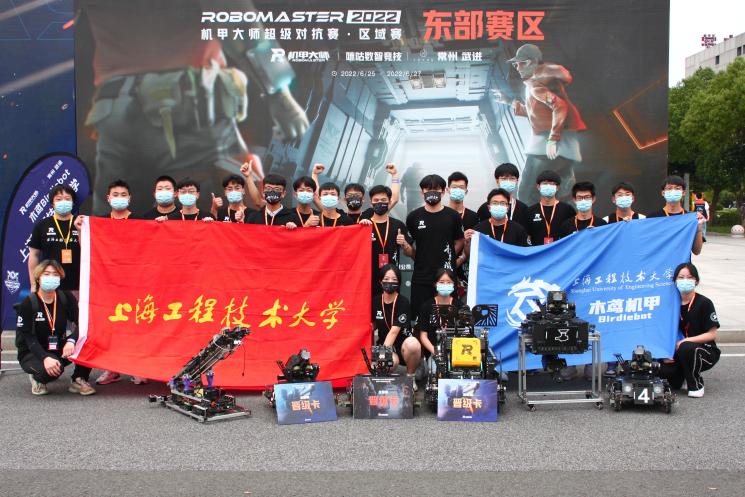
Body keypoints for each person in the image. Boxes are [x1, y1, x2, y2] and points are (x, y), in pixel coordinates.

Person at [493, 43, 586, 205]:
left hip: (548, 146)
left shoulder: (536, 85)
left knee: (527, 192)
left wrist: (552, 139)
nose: (517, 68)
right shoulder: (536, 83)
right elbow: (535, 113)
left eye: (518, 64)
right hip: (562, 145)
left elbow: (560, 106)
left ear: (530, 62)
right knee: (562, 189)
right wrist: (508, 101)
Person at [16, 260, 95, 396]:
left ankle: (78, 378)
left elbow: (82, 323)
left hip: (58, 347)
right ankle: (37, 378)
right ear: (38, 278)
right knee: (52, 370)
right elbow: (29, 338)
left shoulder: (65, 297)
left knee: (90, 341)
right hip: (32, 352)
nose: (51, 278)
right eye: (46, 274)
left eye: (55, 274)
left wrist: (71, 341)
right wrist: (45, 358)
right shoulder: (28, 302)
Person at [405, 175, 465, 315]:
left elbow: (460, 241)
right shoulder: (413, 216)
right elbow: (408, 247)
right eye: (428, 189)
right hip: (422, 277)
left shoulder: (453, 216)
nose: (432, 192)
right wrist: (417, 256)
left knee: (447, 318)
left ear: (443, 192)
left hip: (446, 279)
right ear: (422, 192)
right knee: (421, 317)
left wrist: (449, 256)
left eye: (436, 189)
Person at [659, 263, 720, 398]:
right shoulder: (670, 304)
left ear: (696, 281)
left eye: (690, 277)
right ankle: (683, 376)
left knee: (686, 348)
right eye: (681, 277)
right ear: (675, 281)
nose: (685, 281)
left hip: (704, 350)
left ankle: (696, 385)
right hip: (678, 351)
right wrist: (665, 353)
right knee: (663, 371)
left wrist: (686, 341)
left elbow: (712, 334)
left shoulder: (704, 303)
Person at [358, 185, 412, 294]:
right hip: (367, 278)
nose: (379, 203)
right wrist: (360, 229)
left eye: (383, 200)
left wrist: (404, 244)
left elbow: (410, 253)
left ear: (389, 202)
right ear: (371, 203)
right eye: (376, 200)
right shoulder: (364, 225)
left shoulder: (398, 225)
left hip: (391, 279)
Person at [371, 264, 422, 379]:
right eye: (386, 279)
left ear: (399, 282)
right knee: (387, 364)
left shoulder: (403, 302)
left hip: (403, 345)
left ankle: (410, 377)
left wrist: (382, 356)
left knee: (413, 344)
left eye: (394, 279)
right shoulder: (375, 301)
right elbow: (371, 325)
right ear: (380, 281)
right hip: (384, 343)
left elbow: (394, 332)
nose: (390, 282)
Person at [28, 185, 81, 294]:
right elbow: (34, 255)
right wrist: (33, 284)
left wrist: (80, 230)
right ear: (52, 203)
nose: (63, 202)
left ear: (73, 202)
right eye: (59, 199)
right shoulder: (42, 225)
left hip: (78, 285)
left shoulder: (81, 223)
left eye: (67, 199)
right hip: (50, 284)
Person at [646, 175, 704, 255]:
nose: (673, 191)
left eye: (677, 188)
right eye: (669, 188)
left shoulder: (690, 218)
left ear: (683, 192)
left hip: (683, 263)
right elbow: (646, 246)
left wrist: (699, 229)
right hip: (660, 262)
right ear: (663, 193)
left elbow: (696, 251)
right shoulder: (652, 218)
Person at [417, 268, 464, 359]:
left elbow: (464, 333)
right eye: (441, 282)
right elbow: (423, 336)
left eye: (449, 282)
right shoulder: (427, 306)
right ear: (435, 284)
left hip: (456, 353)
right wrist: (435, 352)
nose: (445, 285)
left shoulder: (460, 306)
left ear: (453, 284)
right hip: (434, 352)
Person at [465, 188, 530, 252]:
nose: (499, 206)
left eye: (502, 203)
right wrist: (467, 243)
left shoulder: (518, 230)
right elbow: (471, 255)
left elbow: (525, 253)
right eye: (495, 203)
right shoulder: (478, 230)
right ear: (489, 207)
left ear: (508, 208)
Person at [526, 170, 575, 246]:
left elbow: (573, 234)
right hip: (538, 252)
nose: (548, 186)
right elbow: (527, 237)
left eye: (552, 184)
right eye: (545, 183)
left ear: (557, 187)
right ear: (538, 187)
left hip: (561, 251)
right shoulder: (530, 211)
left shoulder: (568, 210)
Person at [476, 162, 530, 229]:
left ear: (517, 181)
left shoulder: (523, 208)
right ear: (497, 181)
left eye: (512, 178)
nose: (508, 182)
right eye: (504, 179)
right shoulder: (485, 208)